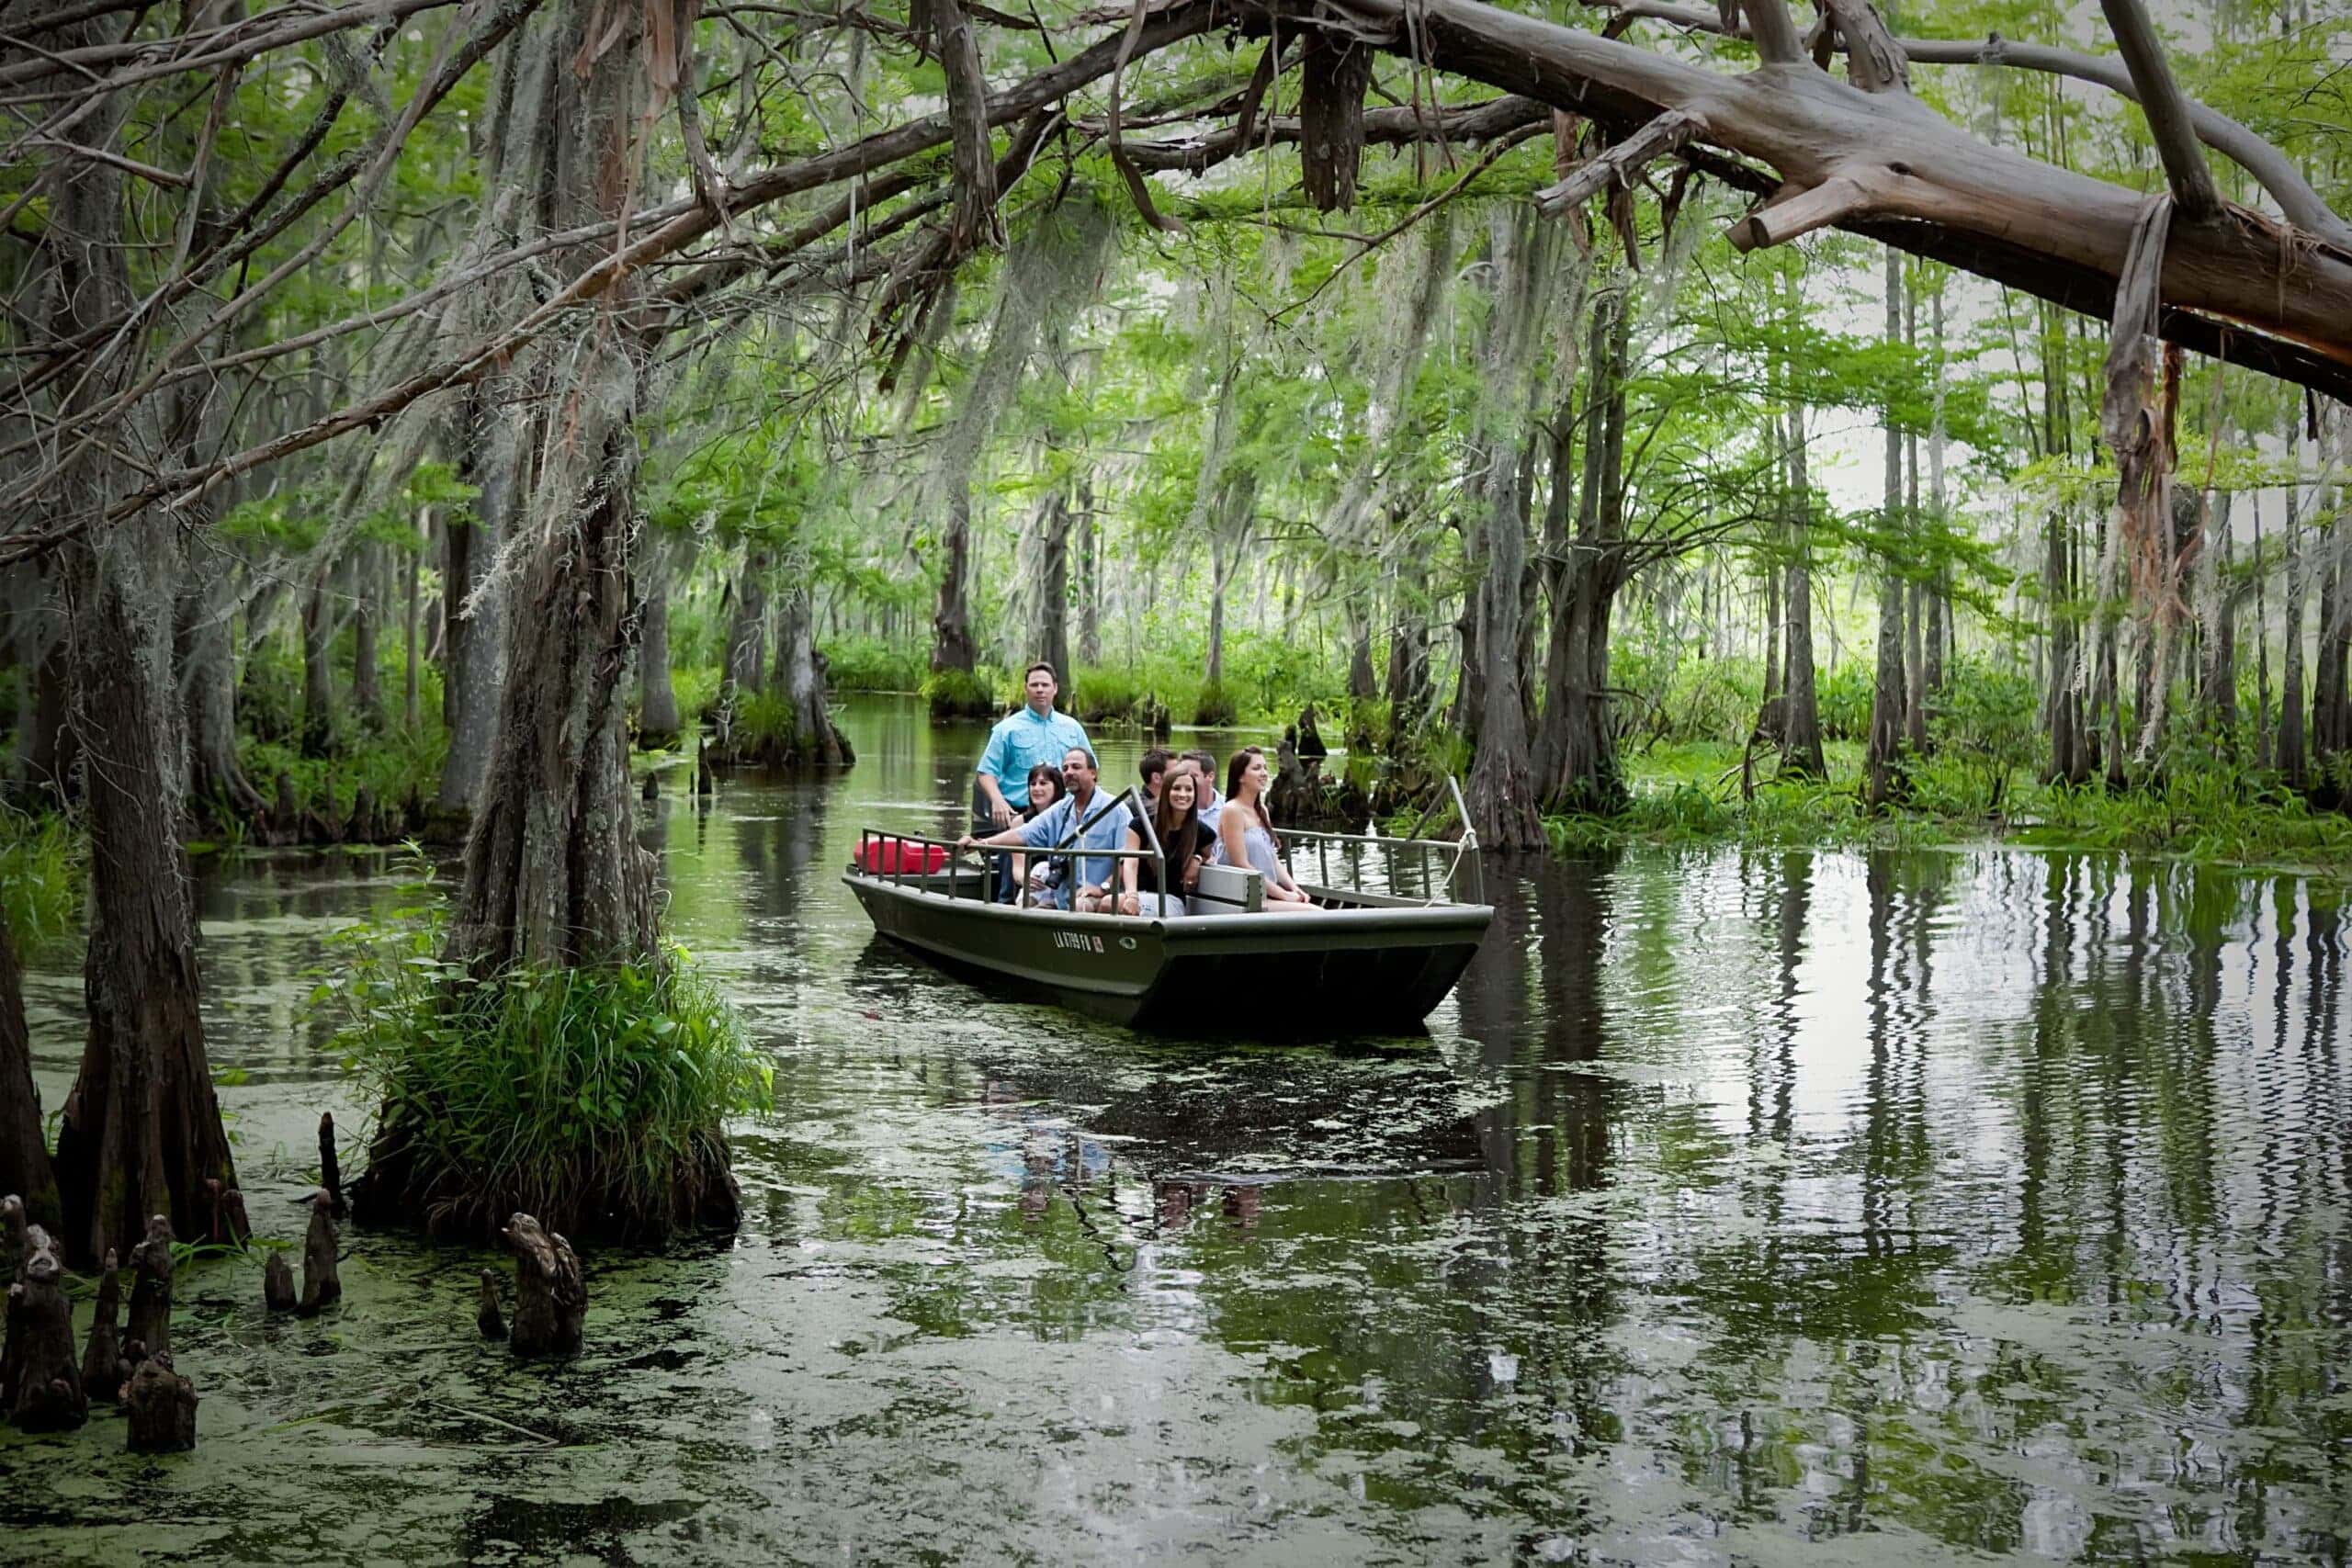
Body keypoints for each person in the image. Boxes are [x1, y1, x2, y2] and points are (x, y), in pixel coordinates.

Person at [959, 746, 1131, 913]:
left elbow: (1128, 861)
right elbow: (1023, 833)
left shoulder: (1116, 810)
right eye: (1065, 768)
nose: (1069, 772)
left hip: (1099, 896)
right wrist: (981, 843)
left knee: (1079, 906)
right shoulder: (1061, 810)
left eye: (1076, 767)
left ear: (1093, 773)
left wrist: (1103, 888)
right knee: (1025, 907)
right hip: (1062, 898)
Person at [972, 661, 1090, 900]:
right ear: (1026, 689)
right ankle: (1005, 904)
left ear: (1055, 688)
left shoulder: (1073, 728)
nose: (1040, 690)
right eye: (1034, 685)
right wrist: (997, 801)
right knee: (1013, 847)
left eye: (1045, 685)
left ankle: (1071, 902)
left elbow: (1091, 770)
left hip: (1063, 813)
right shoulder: (1007, 729)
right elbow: (986, 772)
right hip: (1019, 811)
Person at [1212, 747, 1315, 912]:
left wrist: (1294, 888)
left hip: (1267, 895)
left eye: (1265, 767)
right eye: (1256, 768)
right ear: (1240, 776)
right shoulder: (1232, 810)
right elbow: (1241, 864)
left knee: (1310, 908)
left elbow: (1273, 859)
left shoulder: (1262, 811)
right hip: (1243, 899)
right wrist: (1283, 894)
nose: (1264, 773)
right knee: (1314, 913)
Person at [1117, 764, 1212, 917]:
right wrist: (1132, 895)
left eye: (1188, 789)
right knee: (1106, 904)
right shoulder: (1140, 825)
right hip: (1137, 894)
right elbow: (1130, 862)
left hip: (1172, 901)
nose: (1182, 794)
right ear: (1166, 791)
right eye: (1176, 788)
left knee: (1110, 903)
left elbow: (1212, 856)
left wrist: (1197, 858)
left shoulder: (1201, 832)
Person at [1008, 761, 1063, 901]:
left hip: (1061, 884)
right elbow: (1018, 867)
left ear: (1057, 787)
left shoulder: (1069, 818)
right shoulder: (1019, 822)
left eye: (1043, 783)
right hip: (1032, 885)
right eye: (1033, 784)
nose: (1036, 788)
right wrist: (1025, 879)